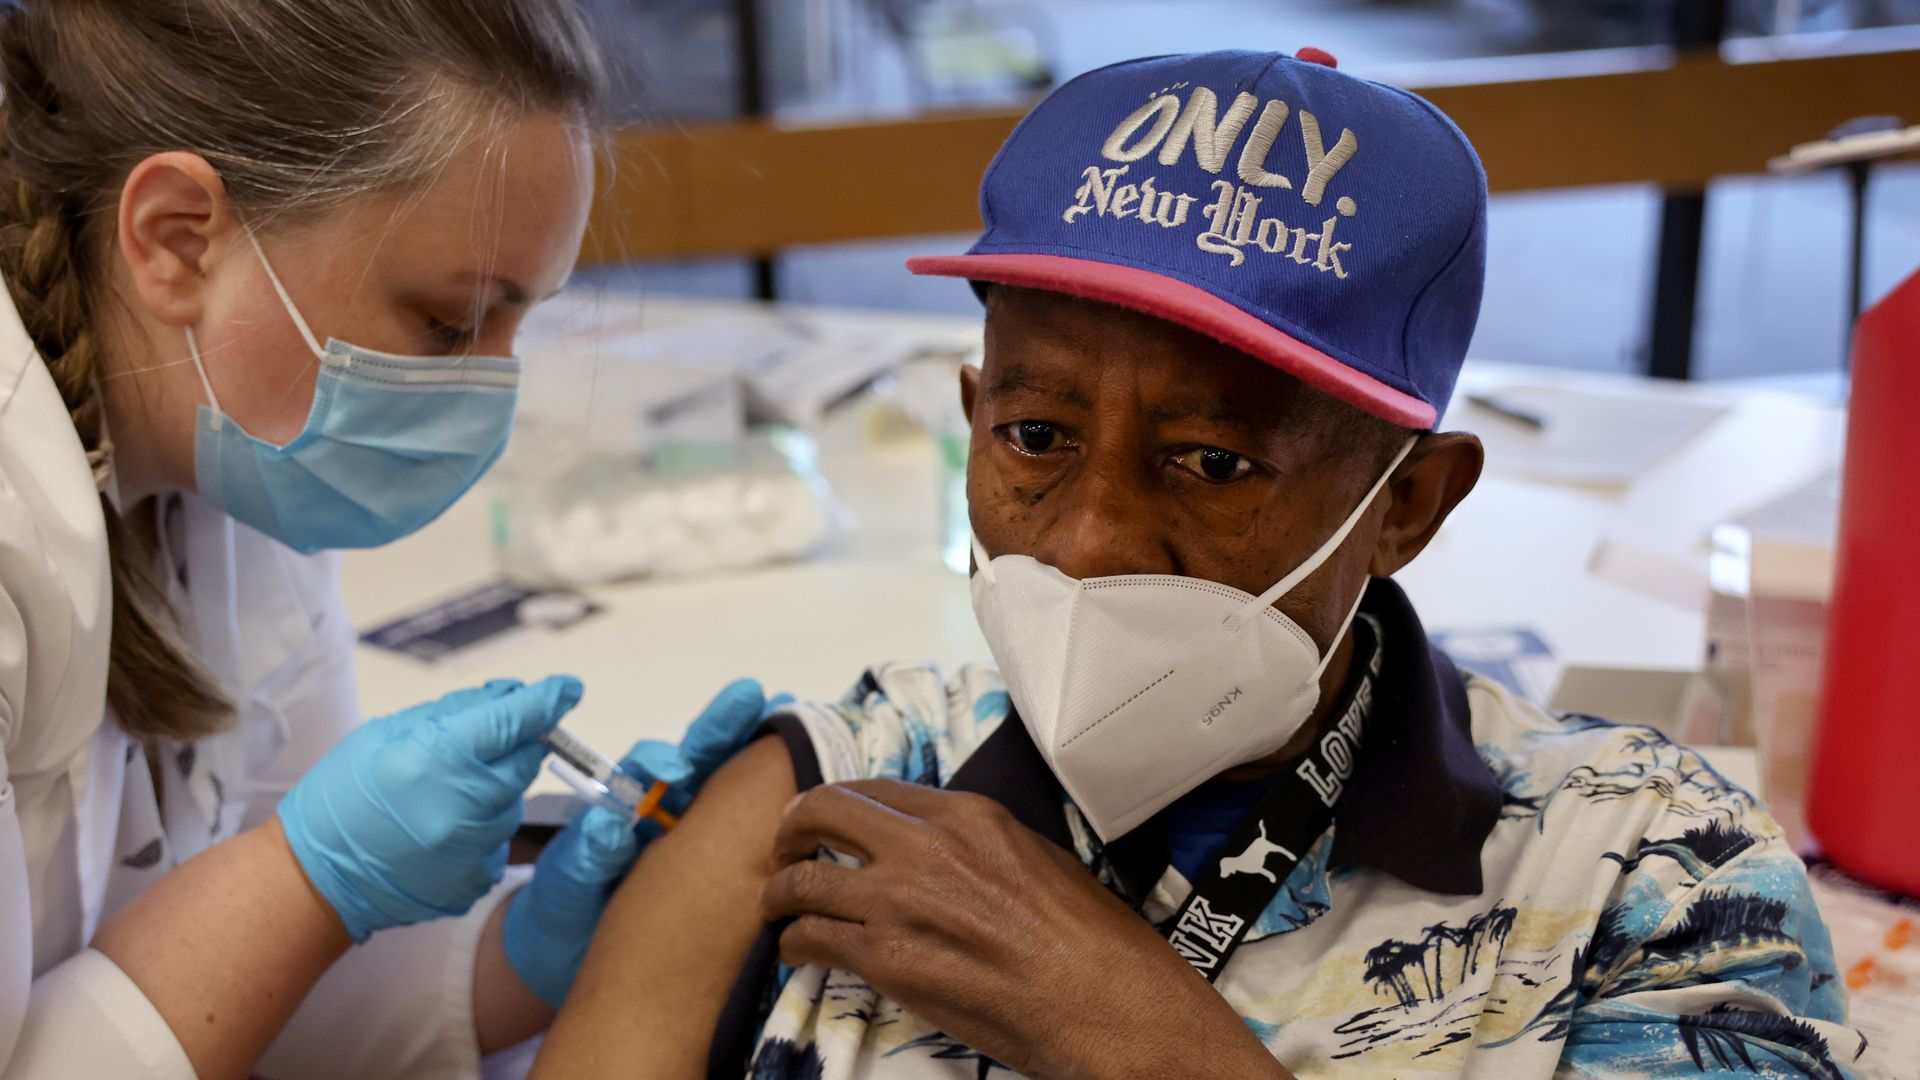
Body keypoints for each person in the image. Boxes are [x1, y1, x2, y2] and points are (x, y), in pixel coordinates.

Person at [533, 50, 1886, 1079]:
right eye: (1038, 435)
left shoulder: (1653, 880)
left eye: (1213, 461)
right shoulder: (850, 790)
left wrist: (1142, 1037)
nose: (1092, 537)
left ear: (1407, 503)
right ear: (970, 419)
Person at [0, 3, 769, 1077]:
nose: (487, 392)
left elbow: (254, 993)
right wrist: (305, 879)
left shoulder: (233, 443)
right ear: (177, 239)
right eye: (449, 322)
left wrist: (522, 955)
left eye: (520, 322)